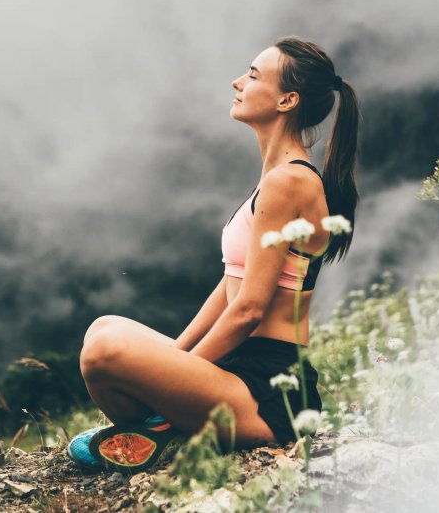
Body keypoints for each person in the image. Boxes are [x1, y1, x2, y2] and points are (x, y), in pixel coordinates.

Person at [69, 35, 360, 472]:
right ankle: (165, 429)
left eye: (254, 75)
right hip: (237, 370)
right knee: (104, 327)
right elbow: (230, 287)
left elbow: (249, 310)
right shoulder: (276, 178)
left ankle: (162, 428)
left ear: (287, 101)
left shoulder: (290, 182)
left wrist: (172, 378)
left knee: (103, 351)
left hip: (268, 391)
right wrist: (177, 366)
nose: (237, 82)